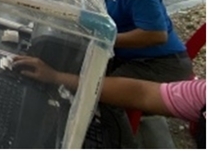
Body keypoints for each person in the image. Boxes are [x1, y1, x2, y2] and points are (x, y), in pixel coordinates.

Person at [12, 56, 206, 149]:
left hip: (161, 62)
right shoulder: (202, 94)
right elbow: (142, 93)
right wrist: (56, 77)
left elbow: (158, 35)